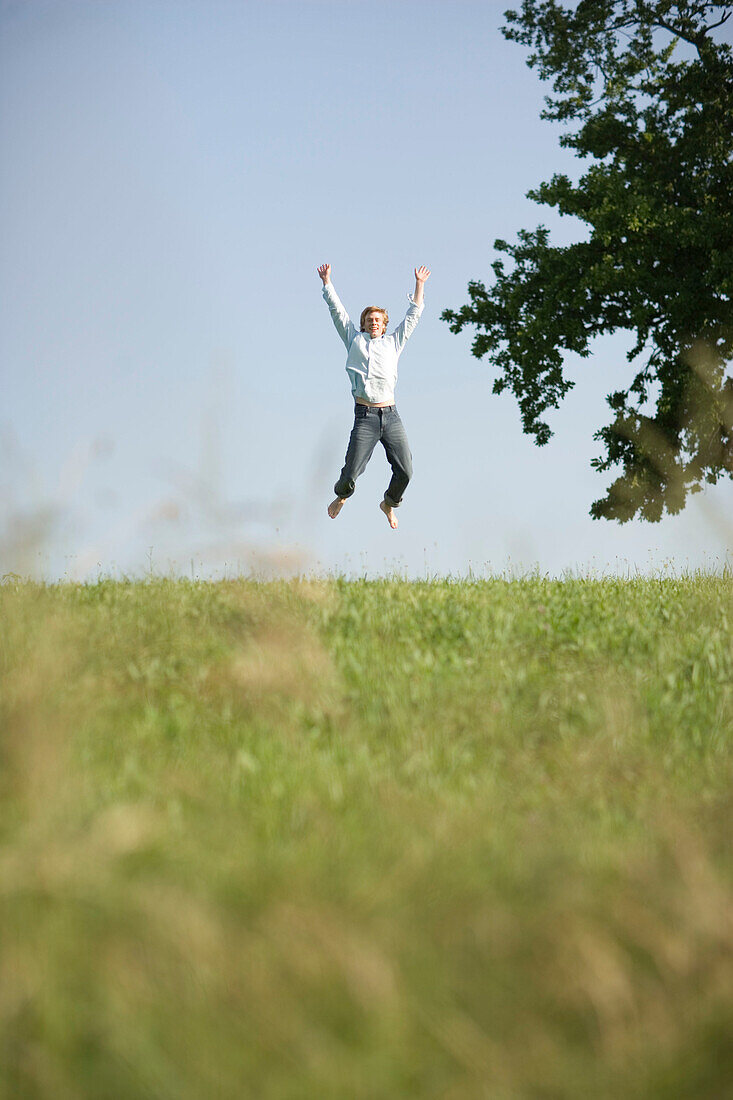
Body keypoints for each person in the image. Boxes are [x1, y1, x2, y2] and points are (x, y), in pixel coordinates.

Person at [317, 262, 430, 529]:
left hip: (391, 416)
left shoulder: (394, 342)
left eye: (378, 320)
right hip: (365, 416)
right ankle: (341, 497)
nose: (374, 323)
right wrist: (327, 283)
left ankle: (389, 504)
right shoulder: (354, 340)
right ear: (364, 324)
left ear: (384, 324)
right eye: (369, 320)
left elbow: (414, 315)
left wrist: (420, 284)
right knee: (351, 471)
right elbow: (338, 312)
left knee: (406, 470)